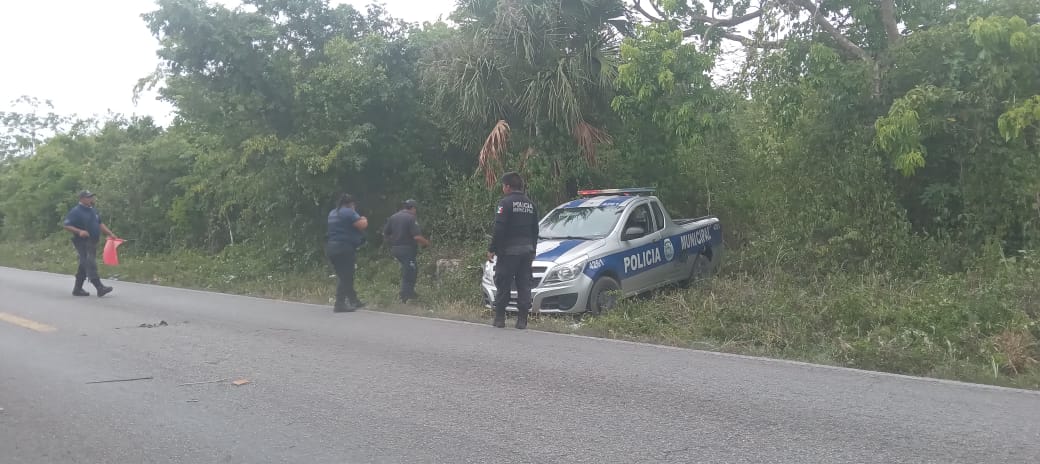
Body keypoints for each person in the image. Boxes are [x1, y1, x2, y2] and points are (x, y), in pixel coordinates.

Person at [487, 172, 539, 329]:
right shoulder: (531, 204)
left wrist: (492, 248)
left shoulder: (505, 203)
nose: (503, 188)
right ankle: (522, 320)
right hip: (527, 251)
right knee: (524, 284)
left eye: (503, 185)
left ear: (508, 187)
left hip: (509, 251)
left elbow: (499, 228)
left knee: (503, 282)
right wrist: (533, 249)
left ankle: (500, 318)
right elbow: (535, 230)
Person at [62, 190, 119, 297]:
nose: (91, 199)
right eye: (88, 197)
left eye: (91, 197)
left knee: (84, 264)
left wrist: (110, 233)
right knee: (89, 262)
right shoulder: (76, 211)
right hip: (82, 241)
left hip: (92, 241)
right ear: (82, 199)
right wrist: (79, 231)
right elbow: (66, 225)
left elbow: (100, 223)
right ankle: (99, 287)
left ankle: (77, 289)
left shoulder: (92, 210)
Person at [326, 193, 368, 312]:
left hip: (331, 247)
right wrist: (364, 218)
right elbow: (362, 225)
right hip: (344, 247)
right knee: (346, 276)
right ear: (351, 204)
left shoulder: (332, 213)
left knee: (344, 275)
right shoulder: (348, 211)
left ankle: (353, 300)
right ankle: (339, 304)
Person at [382, 199, 430, 303]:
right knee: (410, 271)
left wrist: (392, 242)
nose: (415, 211)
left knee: (410, 269)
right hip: (407, 249)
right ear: (413, 208)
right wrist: (426, 243)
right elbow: (417, 237)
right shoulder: (411, 218)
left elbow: (385, 233)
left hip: (395, 249)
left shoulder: (393, 217)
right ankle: (405, 296)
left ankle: (409, 293)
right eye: (415, 209)